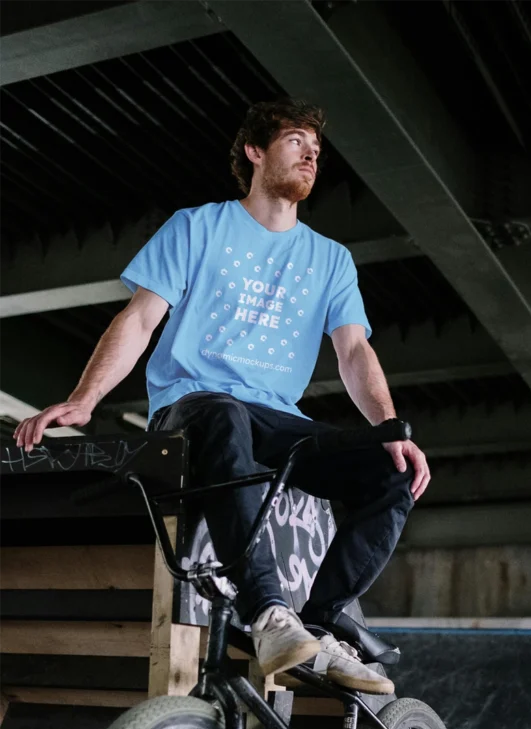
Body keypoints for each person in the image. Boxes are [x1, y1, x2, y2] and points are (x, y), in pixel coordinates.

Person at [13, 99, 430, 694]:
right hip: (194, 406)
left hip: (278, 418)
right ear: (254, 152)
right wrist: (85, 398)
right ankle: (270, 613)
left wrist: (389, 428)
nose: (311, 153)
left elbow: (354, 352)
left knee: (388, 472)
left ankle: (316, 628)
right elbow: (139, 320)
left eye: (316, 148)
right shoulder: (196, 227)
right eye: (294, 141)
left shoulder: (331, 260)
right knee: (225, 412)